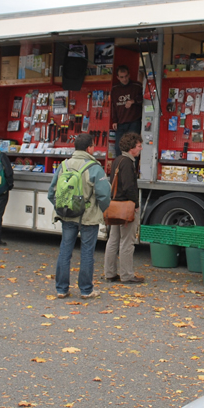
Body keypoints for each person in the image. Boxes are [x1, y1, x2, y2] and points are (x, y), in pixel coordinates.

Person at [48, 132, 111, 299]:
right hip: (88, 217)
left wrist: (62, 207)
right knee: (87, 252)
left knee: (65, 250)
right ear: (90, 148)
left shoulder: (64, 166)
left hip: (67, 215)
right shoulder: (94, 168)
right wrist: (104, 211)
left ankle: (61, 289)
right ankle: (86, 290)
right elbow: (104, 195)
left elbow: (51, 192)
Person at [104, 132, 145, 284]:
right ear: (131, 148)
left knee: (113, 240)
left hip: (115, 205)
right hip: (126, 206)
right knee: (127, 242)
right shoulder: (128, 163)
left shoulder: (117, 160)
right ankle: (127, 275)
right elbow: (129, 186)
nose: (140, 149)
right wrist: (136, 204)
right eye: (139, 146)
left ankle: (110, 273)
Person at [110, 65, 143, 158]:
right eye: (121, 77)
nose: (124, 79)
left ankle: (132, 169)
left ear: (129, 75)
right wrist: (115, 120)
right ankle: (120, 168)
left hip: (134, 121)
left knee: (133, 147)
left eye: (126, 76)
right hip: (121, 122)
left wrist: (133, 101)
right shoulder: (115, 89)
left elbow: (144, 99)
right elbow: (114, 105)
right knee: (118, 147)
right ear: (117, 77)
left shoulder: (137, 86)